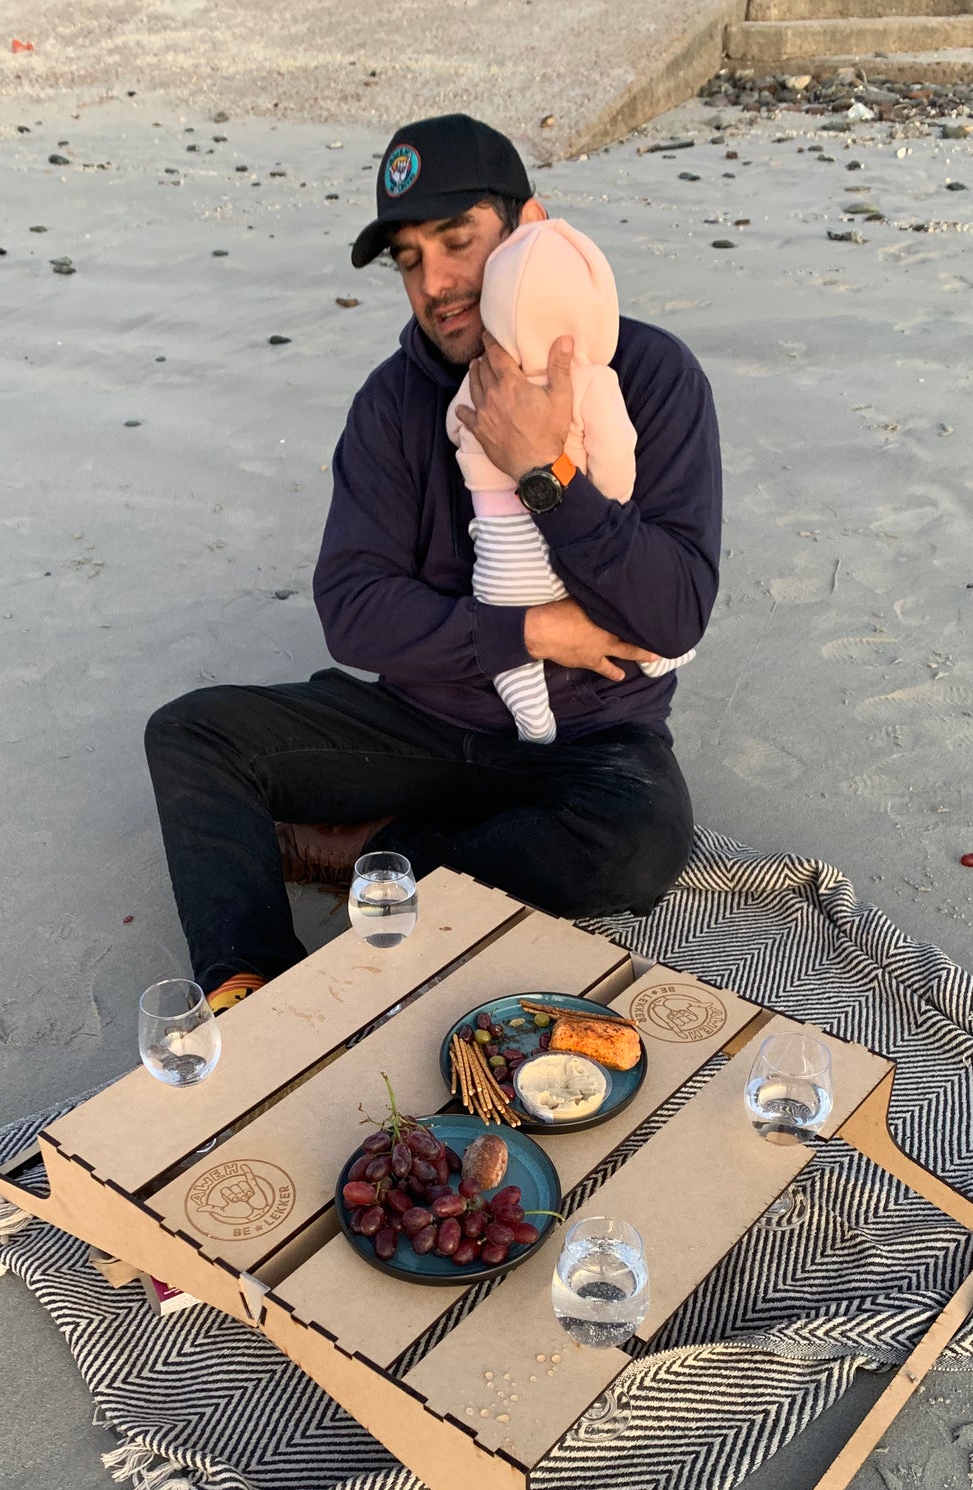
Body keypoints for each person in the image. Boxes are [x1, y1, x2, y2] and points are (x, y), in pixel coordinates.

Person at [144, 113, 722, 1012]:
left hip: (588, 742)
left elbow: (676, 609)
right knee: (193, 734)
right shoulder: (391, 401)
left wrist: (543, 470)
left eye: (457, 241)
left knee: (641, 842)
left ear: (528, 229)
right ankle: (247, 986)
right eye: (409, 259)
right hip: (419, 723)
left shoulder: (650, 374)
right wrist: (526, 629)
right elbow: (352, 607)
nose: (437, 283)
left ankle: (385, 852)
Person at [446, 214, 696, 744]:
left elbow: (454, 424)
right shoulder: (592, 380)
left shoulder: (479, 380)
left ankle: (531, 714)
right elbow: (616, 458)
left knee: (511, 626)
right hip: (563, 548)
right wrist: (609, 498)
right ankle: (654, 656)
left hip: (498, 554)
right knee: (605, 596)